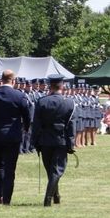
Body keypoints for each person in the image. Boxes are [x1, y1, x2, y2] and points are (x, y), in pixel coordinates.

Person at [0, 70, 30, 205]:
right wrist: (25, 128)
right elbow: (26, 115)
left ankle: (0, 195)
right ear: (13, 80)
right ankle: (7, 198)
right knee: (10, 168)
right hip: (12, 136)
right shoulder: (19, 96)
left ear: (1, 80)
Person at [32, 74, 76, 207]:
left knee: (51, 170)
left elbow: (36, 125)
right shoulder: (69, 102)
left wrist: (36, 142)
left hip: (45, 141)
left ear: (50, 85)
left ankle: (56, 196)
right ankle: (48, 199)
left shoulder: (41, 101)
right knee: (56, 171)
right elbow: (71, 125)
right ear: (62, 86)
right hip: (61, 141)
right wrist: (71, 143)